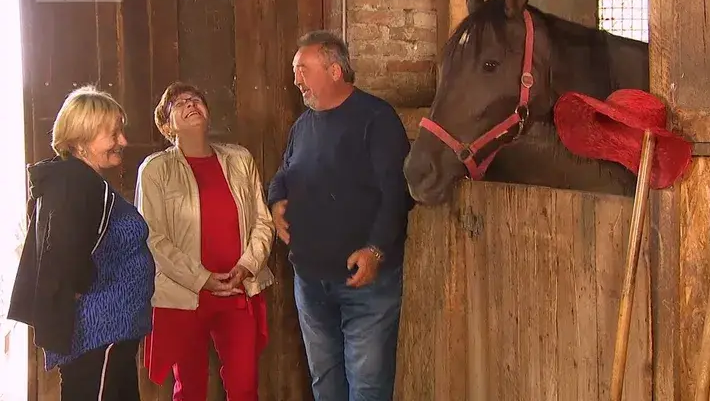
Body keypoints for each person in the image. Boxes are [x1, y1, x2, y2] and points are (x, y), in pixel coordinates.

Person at [267, 30, 413, 401]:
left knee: (367, 385)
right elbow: (284, 174)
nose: (295, 80)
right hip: (310, 280)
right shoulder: (302, 127)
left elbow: (398, 192)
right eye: (294, 71)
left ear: (335, 71)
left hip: (363, 282)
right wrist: (275, 200)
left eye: (303, 70)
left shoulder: (376, 120)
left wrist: (376, 250)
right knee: (325, 382)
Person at [7, 86, 155, 400]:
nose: (123, 142)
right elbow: (62, 257)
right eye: (113, 134)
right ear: (81, 139)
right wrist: (94, 296)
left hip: (111, 333)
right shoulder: (74, 181)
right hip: (98, 334)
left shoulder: (83, 181)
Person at [136, 81, 275, 401]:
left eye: (196, 99)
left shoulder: (240, 159)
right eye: (179, 103)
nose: (190, 104)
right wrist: (202, 279)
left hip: (238, 288)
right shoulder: (155, 169)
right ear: (166, 124)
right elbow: (153, 237)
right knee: (189, 388)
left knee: (244, 385)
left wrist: (247, 266)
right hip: (184, 295)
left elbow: (263, 222)